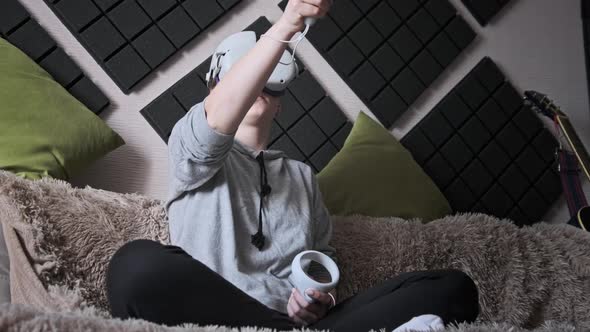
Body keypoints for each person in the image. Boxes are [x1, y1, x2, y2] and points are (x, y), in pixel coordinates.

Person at [106, 0, 480, 331]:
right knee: (134, 266)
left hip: (289, 324)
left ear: (280, 103)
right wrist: (288, 24)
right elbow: (217, 121)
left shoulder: (302, 179)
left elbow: (319, 266)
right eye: (250, 82)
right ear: (215, 89)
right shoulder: (190, 144)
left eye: (269, 86)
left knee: (452, 288)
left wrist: (317, 302)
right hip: (214, 315)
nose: (258, 89)